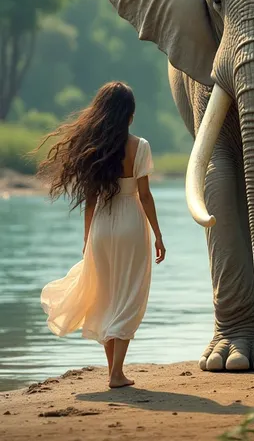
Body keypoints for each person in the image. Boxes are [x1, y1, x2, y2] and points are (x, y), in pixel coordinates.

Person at [36, 81, 165, 388]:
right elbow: (144, 196)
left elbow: (90, 200)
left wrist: (86, 237)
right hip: (132, 225)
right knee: (129, 296)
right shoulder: (140, 146)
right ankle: (117, 373)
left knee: (107, 298)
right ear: (129, 116)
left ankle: (114, 372)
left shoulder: (96, 149)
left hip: (102, 228)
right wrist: (158, 234)